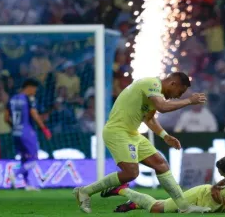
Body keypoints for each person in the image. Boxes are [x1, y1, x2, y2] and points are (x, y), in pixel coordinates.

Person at [73, 72, 210, 214]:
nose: (178, 96)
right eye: (180, 92)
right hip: (117, 131)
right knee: (131, 173)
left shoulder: (156, 95)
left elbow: (149, 119)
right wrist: (189, 101)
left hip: (132, 134)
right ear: (173, 83)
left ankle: (184, 207)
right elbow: (163, 107)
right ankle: (84, 191)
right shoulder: (152, 84)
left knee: (160, 163)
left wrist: (164, 136)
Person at [101, 183, 225, 213]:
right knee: (156, 208)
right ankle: (123, 189)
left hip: (207, 205)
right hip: (199, 195)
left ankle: (134, 202)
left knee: (159, 206)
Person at [5, 78, 52, 191]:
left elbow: (6, 118)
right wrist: (44, 128)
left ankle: (27, 184)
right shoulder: (28, 99)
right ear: (29, 87)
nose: (35, 92)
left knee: (24, 159)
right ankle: (14, 175)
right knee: (34, 159)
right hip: (27, 132)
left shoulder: (12, 99)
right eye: (34, 89)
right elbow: (34, 114)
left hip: (16, 133)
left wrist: (15, 127)